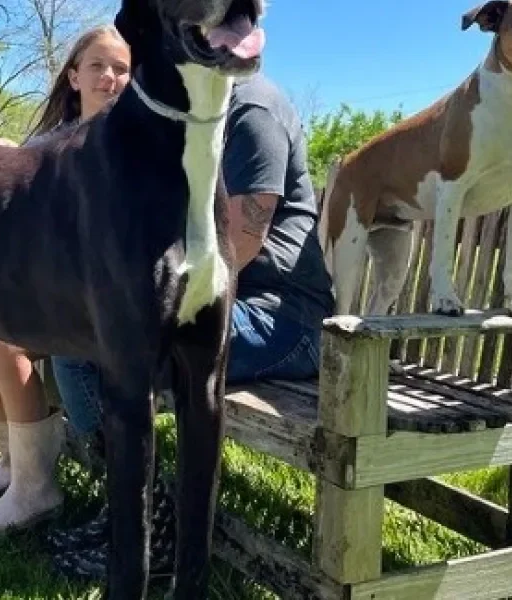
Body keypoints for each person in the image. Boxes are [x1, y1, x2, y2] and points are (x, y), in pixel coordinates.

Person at [46, 70, 336, 579]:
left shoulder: (253, 111)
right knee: (81, 337)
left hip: (282, 319)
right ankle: (133, 517)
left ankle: (147, 528)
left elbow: (240, 243)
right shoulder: (187, 114)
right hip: (224, 307)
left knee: (90, 348)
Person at [0, 24, 132, 536]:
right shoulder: (51, 144)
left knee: (7, 347)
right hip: (57, 291)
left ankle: (35, 489)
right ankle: (12, 467)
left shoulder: (133, 145)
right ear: (74, 76)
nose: (110, 77)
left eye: (122, 69)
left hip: (106, 300)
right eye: (98, 66)